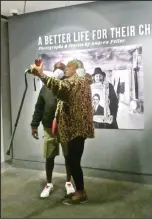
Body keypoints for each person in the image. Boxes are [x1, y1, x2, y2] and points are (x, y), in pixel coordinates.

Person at [30, 59, 94, 205]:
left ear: (75, 69)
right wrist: (35, 124)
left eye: (67, 68)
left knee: (73, 161)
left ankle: (79, 191)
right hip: (68, 129)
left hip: (74, 130)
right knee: (66, 159)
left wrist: (41, 75)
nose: (64, 70)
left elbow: (59, 86)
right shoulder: (80, 82)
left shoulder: (74, 82)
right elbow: (41, 106)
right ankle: (73, 189)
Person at [30, 62, 75, 198]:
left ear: (65, 70)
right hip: (49, 128)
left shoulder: (68, 87)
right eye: (57, 68)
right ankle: (49, 183)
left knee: (69, 156)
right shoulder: (45, 88)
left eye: (62, 68)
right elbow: (39, 108)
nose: (59, 70)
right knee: (49, 156)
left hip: (65, 128)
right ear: (53, 70)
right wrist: (34, 125)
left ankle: (68, 182)